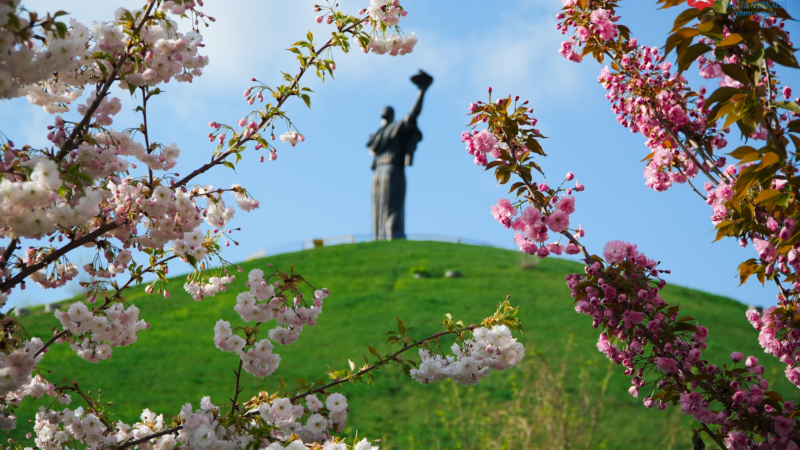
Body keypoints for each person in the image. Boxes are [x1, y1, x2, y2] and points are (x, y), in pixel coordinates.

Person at [367, 70, 433, 240]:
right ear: (392, 116)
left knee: (381, 208)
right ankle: (391, 238)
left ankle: (383, 238)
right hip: (392, 170)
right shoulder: (394, 128)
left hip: (378, 174)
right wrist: (422, 91)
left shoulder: (375, 137)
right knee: (392, 207)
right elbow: (412, 116)